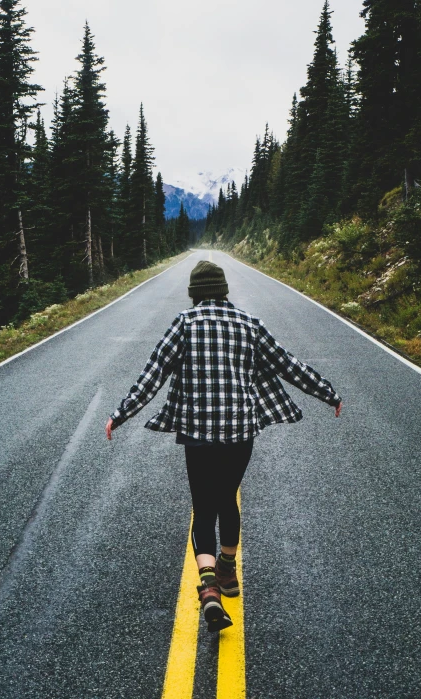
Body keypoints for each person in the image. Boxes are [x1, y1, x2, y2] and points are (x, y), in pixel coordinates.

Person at [106, 260, 342, 632]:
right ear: (224, 289)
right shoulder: (250, 324)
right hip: (239, 432)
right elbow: (288, 365)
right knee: (227, 497)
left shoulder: (184, 324)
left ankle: (208, 587)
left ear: (195, 292)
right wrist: (328, 393)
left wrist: (120, 415)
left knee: (203, 506)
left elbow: (152, 375)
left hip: (198, 433)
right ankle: (228, 571)